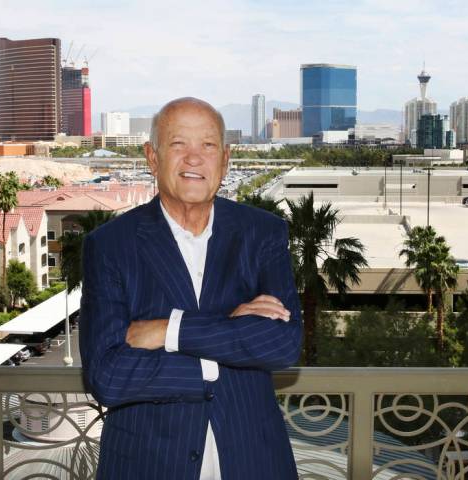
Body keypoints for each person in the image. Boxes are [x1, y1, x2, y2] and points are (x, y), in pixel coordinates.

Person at [79, 97, 302, 479]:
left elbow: (282, 343)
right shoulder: (110, 245)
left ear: (226, 159)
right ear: (153, 157)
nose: (194, 158)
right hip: (147, 462)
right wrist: (228, 340)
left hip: (254, 460)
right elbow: (108, 375)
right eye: (179, 144)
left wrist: (168, 330)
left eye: (208, 145)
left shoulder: (262, 233)